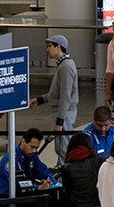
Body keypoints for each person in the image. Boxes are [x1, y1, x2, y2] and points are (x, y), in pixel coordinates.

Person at [29, 35, 79, 166]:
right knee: (60, 147)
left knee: (63, 148)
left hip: (63, 113)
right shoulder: (64, 65)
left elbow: (65, 96)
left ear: (58, 47)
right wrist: (40, 100)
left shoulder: (66, 67)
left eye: (50, 46)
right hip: (62, 113)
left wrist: (60, 121)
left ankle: (64, 181)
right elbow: (57, 93)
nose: (47, 49)